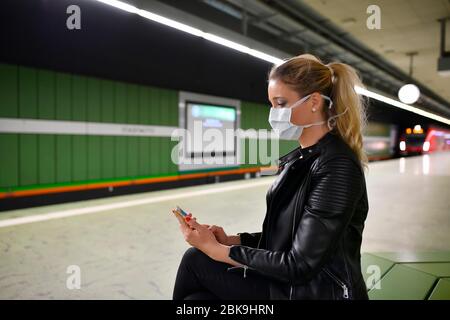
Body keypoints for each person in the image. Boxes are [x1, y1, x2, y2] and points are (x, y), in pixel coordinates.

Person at [171, 53, 369, 300]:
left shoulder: (337, 166)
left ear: (314, 102)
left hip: (315, 292)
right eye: (272, 104)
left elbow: (299, 264)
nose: (274, 113)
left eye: (281, 103)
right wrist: (231, 241)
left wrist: (215, 249)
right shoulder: (302, 159)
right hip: (290, 286)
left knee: (195, 262)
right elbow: (286, 238)